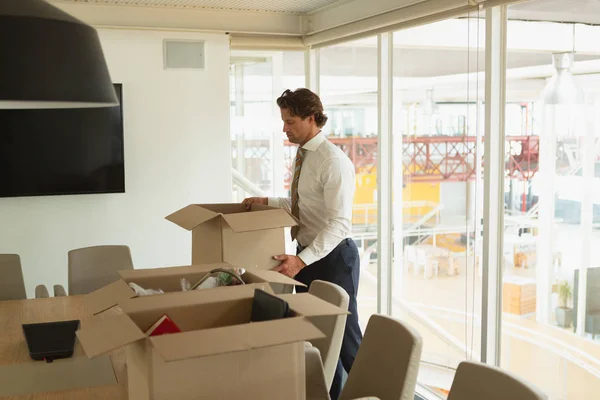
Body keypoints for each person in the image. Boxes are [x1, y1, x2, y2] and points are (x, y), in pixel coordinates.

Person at [243, 88, 362, 400]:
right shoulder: (304, 154)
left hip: (334, 258)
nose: (285, 128)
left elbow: (339, 223)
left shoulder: (333, 162)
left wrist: (301, 260)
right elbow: (302, 205)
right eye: (283, 121)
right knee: (313, 332)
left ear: (312, 119)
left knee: (344, 338)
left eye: (290, 121)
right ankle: (329, 395)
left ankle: (374, 392)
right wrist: (265, 200)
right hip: (307, 256)